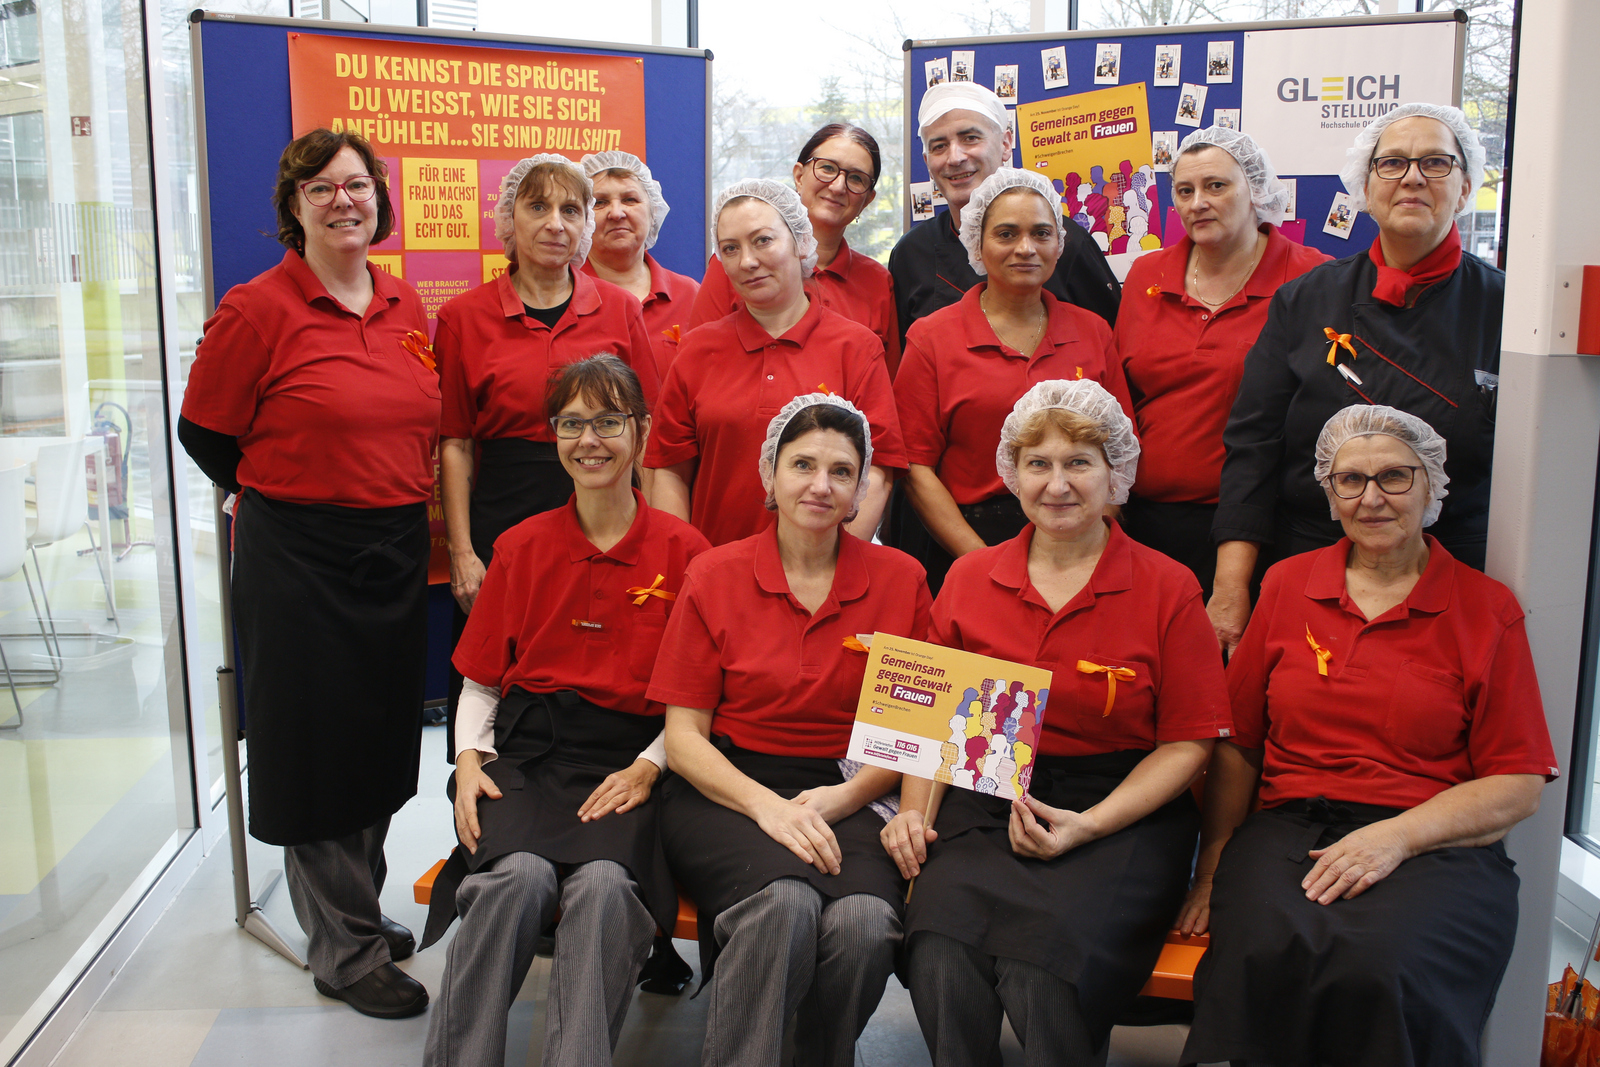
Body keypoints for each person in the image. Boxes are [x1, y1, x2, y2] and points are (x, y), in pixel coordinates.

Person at [1180, 406, 1557, 1067]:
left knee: (1383, 967)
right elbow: (1238, 743)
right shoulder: (1288, 585)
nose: (1372, 497)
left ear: (1431, 484)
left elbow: (1519, 783)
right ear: (1329, 493)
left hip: (1434, 843)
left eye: (1394, 476)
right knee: (1264, 950)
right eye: (1350, 480)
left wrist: (1396, 837)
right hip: (1290, 829)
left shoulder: (1485, 608)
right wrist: (1211, 867)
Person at [882, 379, 1231, 1066]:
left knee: (1044, 967)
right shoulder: (971, 577)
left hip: (1121, 808)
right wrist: (914, 813)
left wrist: (1092, 822)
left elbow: (1189, 741)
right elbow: (927, 716)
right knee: (939, 946)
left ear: (1116, 474)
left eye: (1079, 462)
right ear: (1013, 473)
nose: (1057, 483)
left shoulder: (1167, 586)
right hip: (989, 793)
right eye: (1038, 463)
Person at [177, 128, 436, 1018]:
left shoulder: (405, 305)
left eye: (356, 185)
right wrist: (269, 487)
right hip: (300, 560)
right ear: (293, 206)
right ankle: (344, 952)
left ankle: (353, 909)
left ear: (379, 199)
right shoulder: (257, 308)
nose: (342, 200)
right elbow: (206, 432)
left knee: (378, 740)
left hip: (394, 548)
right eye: (320, 188)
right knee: (317, 750)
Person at [420, 356, 709, 1067]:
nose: (590, 440)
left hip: (635, 760)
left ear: (640, 432)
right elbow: (482, 683)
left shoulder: (689, 554)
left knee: (607, 889)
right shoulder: (520, 546)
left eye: (609, 421)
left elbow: (699, 702)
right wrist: (465, 764)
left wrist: (649, 767)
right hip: (531, 756)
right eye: (572, 423)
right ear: (553, 436)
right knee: (511, 880)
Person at [649, 395, 932, 1067]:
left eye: (841, 470)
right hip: (730, 786)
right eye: (802, 464)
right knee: (783, 906)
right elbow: (684, 738)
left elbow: (912, 732)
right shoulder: (714, 574)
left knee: (865, 926)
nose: (820, 485)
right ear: (768, 473)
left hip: (854, 785)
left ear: (864, 487)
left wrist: (841, 800)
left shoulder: (902, 578)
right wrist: (767, 808)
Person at [1210, 103, 1500, 654]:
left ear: (1464, 189)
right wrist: (1230, 588)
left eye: (1436, 163)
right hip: (1309, 566)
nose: (1412, 176)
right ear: (1365, 188)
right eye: (1391, 163)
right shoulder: (1306, 299)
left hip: (1451, 578)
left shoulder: (1508, 311)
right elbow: (1253, 447)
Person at [436, 153, 657, 722]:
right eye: (537, 207)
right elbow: (455, 441)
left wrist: (657, 533)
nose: (555, 223)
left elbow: (647, 428)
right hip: (503, 513)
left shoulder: (621, 310)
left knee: (604, 666)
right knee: (501, 676)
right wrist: (462, 552)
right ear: (508, 220)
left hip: (607, 510)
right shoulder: (464, 316)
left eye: (570, 209)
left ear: (585, 226)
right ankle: (488, 792)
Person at [894, 168, 1130, 594]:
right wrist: (981, 562)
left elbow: (1121, 454)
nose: (1025, 248)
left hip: (1080, 543)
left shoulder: (1094, 331)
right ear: (977, 247)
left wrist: (1093, 543)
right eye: (1006, 234)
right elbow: (915, 467)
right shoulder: (932, 338)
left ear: (1059, 244)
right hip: (967, 545)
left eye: (1041, 233)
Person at [1116, 127, 1329, 598]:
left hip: (1266, 526)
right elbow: (1121, 397)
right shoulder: (1147, 274)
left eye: (1216, 186)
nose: (1198, 203)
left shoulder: (1311, 279)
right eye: (1185, 191)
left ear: (1256, 188)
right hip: (1147, 522)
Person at [647, 180, 905, 546]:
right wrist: (693, 568)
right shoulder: (696, 351)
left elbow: (877, 471)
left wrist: (829, 567)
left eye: (763, 240)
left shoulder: (856, 347)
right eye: (730, 249)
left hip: (824, 579)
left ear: (801, 242)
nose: (747, 261)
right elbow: (669, 473)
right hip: (715, 576)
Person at [888, 83, 1120, 342]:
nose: (954, 158)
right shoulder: (911, 254)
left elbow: (1110, 346)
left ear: (1006, 143)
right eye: (939, 146)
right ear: (927, 162)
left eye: (970, 138)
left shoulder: (1065, 243)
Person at [688, 124, 901, 373]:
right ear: (799, 176)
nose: (838, 186)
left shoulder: (876, 281)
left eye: (856, 178)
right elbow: (697, 363)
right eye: (827, 168)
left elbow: (888, 382)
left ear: (868, 199)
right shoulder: (738, 264)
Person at [580, 151, 700, 372]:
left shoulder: (691, 296)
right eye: (600, 202)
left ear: (653, 211)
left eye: (629, 199)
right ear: (582, 217)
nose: (616, 213)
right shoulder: (566, 296)